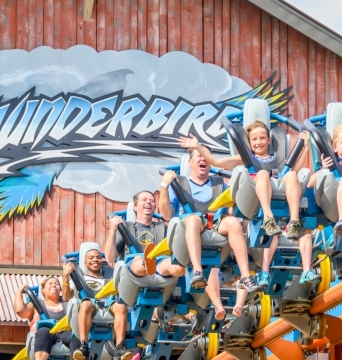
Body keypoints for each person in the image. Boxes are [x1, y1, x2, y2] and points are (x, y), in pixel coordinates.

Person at [157, 148, 261, 319]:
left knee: (233, 222)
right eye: (198, 157)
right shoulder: (180, 183)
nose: (202, 160)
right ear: (190, 162)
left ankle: (244, 276)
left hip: (214, 225)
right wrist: (164, 185)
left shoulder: (219, 183)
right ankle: (198, 271)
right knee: (193, 220)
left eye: (205, 157)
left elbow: (230, 210)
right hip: (189, 227)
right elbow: (166, 215)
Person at [178, 126, 310, 240]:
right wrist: (198, 147)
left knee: (292, 174)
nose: (259, 142)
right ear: (249, 142)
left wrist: (306, 147)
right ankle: (268, 218)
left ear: (269, 140)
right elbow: (216, 162)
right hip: (254, 196)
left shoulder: (278, 160)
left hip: (277, 187)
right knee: (263, 173)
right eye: (254, 139)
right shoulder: (245, 158)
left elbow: (293, 169)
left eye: (262, 138)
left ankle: (294, 221)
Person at [61, 245, 133, 360]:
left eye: (98, 257)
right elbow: (66, 298)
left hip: (108, 305)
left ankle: (119, 347)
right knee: (86, 303)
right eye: (91, 258)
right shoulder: (79, 277)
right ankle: (84, 346)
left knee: (121, 306)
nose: (95, 260)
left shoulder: (109, 276)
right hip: (89, 306)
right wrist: (65, 276)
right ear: (84, 262)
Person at [12, 276, 89, 360]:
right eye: (50, 283)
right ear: (43, 290)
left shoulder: (68, 303)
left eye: (57, 283)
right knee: (43, 331)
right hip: (47, 334)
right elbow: (20, 311)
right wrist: (20, 291)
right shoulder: (37, 303)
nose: (54, 285)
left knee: (76, 335)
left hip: (65, 333)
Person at [104, 190, 184, 280]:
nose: (149, 202)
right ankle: (146, 264)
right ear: (135, 206)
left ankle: (185, 270)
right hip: (133, 273)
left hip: (159, 268)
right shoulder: (125, 228)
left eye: (152, 201)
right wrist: (112, 230)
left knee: (170, 264)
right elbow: (110, 258)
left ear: (154, 207)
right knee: (138, 260)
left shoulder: (163, 228)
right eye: (144, 200)